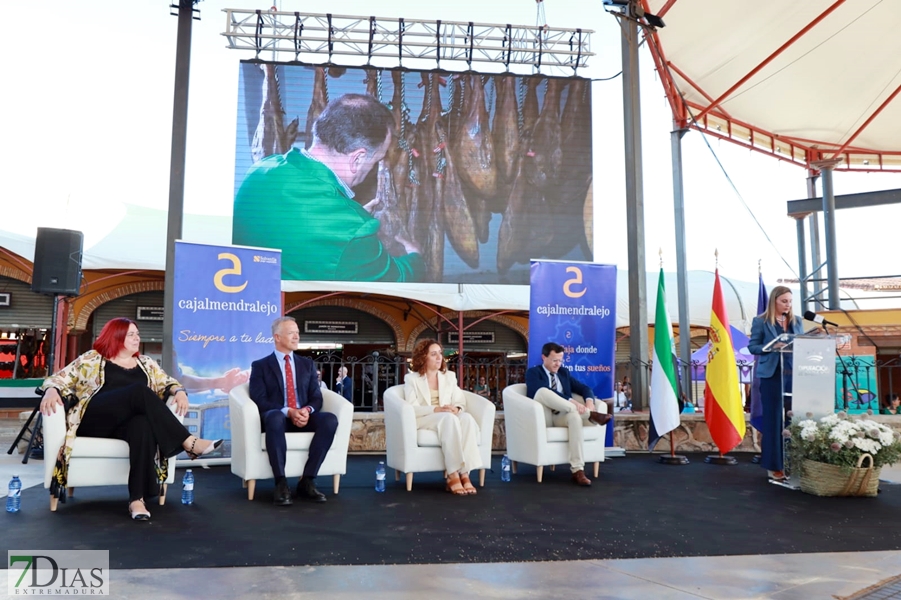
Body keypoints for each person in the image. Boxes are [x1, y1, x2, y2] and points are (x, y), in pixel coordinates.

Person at [38, 318, 222, 521]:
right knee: (138, 391)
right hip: (95, 419)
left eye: (137, 333)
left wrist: (179, 391)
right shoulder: (91, 359)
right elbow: (59, 378)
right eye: (131, 334)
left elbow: (167, 382)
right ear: (116, 336)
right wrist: (51, 390)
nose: (137, 338)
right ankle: (188, 441)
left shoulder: (146, 363)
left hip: (123, 425)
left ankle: (137, 500)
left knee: (142, 426)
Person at [233, 93, 424, 282]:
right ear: (357, 158)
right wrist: (416, 257)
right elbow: (395, 279)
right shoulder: (353, 230)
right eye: (376, 160)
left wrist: (348, 216)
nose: (373, 168)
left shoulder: (260, 169)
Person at [248, 317, 338, 506]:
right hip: (277, 418)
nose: (297, 336)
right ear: (277, 337)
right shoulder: (261, 365)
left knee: (329, 419)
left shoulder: (306, 364)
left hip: (303, 417)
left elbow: (317, 397)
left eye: (297, 332)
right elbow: (259, 399)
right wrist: (288, 411)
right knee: (274, 416)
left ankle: (307, 480)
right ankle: (281, 483)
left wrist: (306, 410)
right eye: (291, 333)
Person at [525, 342, 612, 487]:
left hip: (562, 416)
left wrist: (589, 402)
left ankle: (578, 470)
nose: (558, 364)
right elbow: (539, 391)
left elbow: (584, 388)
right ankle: (591, 415)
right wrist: (573, 403)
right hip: (544, 417)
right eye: (554, 360)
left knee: (574, 416)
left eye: (560, 360)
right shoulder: (533, 373)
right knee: (544, 391)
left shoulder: (563, 373)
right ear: (543, 357)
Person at [403, 339, 482, 496]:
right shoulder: (411, 379)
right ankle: (452, 474)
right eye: (434, 354)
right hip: (425, 418)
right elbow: (412, 408)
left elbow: (460, 400)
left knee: (466, 418)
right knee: (448, 418)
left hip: (446, 415)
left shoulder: (449, 377)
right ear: (423, 357)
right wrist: (436, 409)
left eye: (440, 353)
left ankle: (465, 473)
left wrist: (456, 408)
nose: (439, 357)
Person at [748, 285, 804, 482]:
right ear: (774, 301)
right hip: (772, 375)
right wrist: (771, 347)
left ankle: (792, 463)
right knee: (774, 420)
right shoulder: (761, 321)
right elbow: (752, 346)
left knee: (792, 420)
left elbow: (803, 343)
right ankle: (774, 466)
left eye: (790, 301)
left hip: (793, 374)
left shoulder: (797, 321)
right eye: (784, 301)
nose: (788, 305)